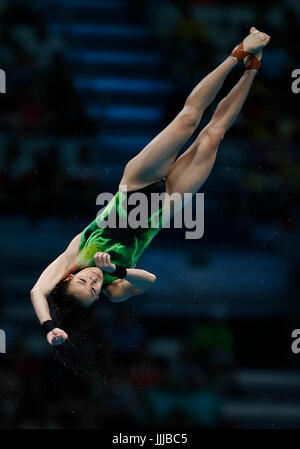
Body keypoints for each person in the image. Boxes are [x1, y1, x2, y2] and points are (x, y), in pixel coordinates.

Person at [30, 27, 270, 347]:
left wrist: (48, 327)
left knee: (187, 121)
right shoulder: (113, 289)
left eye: (85, 281)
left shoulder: (71, 259)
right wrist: (115, 268)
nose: (93, 282)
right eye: (92, 291)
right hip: (167, 204)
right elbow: (148, 281)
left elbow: (38, 291)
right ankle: (253, 68)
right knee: (213, 136)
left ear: (72, 277)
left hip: (135, 185)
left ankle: (238, 54)